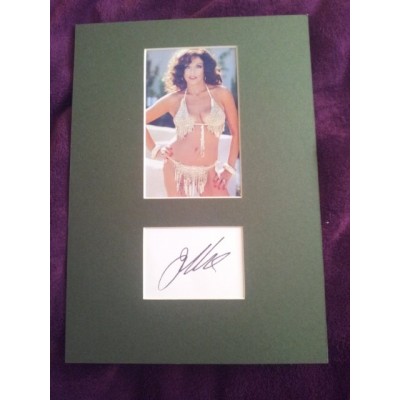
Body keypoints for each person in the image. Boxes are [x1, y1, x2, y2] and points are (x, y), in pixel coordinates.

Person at [146, 48, 240, 197]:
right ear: (181, 71)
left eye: (198, 66)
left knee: (223, 211)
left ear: (205, 69)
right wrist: (155, 149)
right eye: (187, 67)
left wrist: (229, 168)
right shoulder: (174, 99)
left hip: (208, 171)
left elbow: (236, 132)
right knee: (180, 212)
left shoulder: (222, 94)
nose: (192, 72)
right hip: (175, 166)